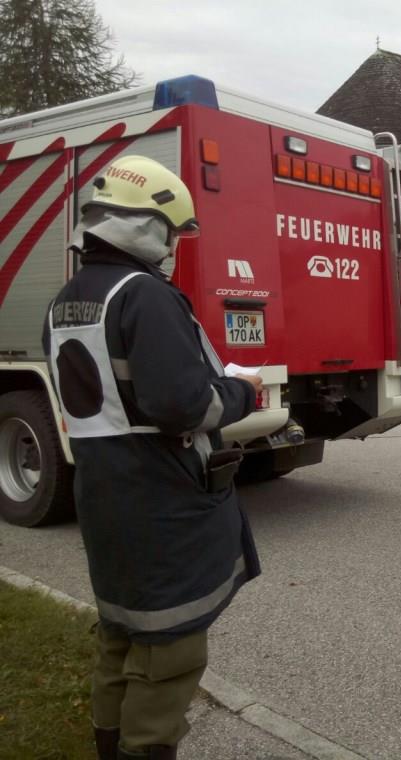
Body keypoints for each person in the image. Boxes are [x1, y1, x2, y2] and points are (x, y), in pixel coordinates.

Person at [42, 155, 263, 760]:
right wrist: (242, 391)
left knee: (119, 635)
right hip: (159, 500)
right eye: (171, 233)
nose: (172, 248)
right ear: (146, 226)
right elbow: (181, 405)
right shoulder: (144, 295)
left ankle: (108, 743)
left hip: (104, 491)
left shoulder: (65, 300)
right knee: (167, 654)